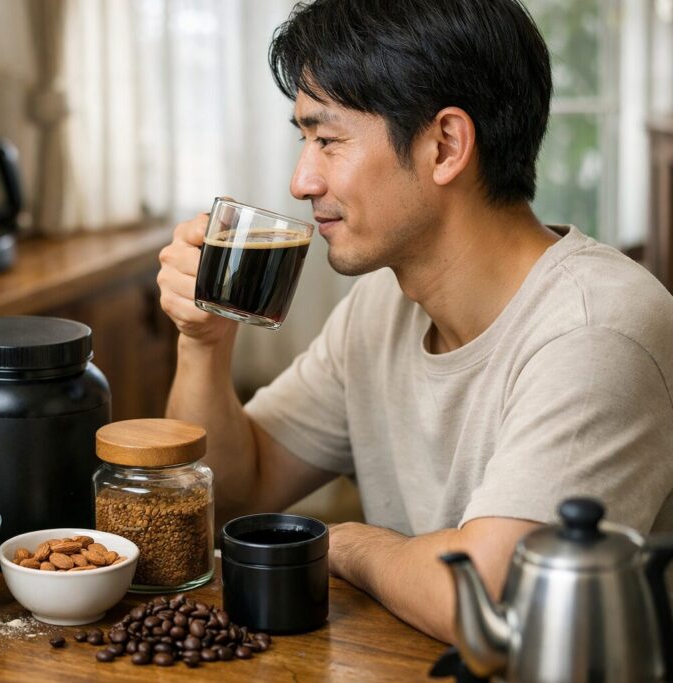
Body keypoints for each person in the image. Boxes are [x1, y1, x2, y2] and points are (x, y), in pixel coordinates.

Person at [156, 0, 673, 643]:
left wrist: (342, 544)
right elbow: (232, 492)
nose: (300, 181)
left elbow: (500, 602)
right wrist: (202, 342)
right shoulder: (383, 307)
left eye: (327, 139)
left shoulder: (596, 330)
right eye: (302, 138)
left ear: (445, 145)